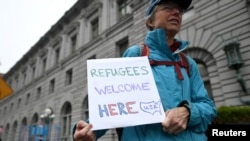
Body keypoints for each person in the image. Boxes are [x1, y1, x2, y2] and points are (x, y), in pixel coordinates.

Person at [73, 0, 217, 140]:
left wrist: (188, 112)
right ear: (150, 22)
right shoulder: (136, 54)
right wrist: (89, 130)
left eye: (179, 10)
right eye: (167, 7)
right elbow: (114, 102)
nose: (176, 12)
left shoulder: (189, 63)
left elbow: (208, 108)